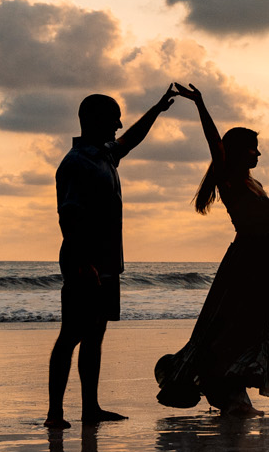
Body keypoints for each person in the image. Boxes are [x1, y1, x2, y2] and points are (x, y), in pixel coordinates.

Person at [156, 85, 269, 415]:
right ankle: (229, 395)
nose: (259, 154)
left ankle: (233, 394)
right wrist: (200, 103)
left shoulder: (255, 185)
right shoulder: (231, 181)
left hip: (261, 265)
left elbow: (268, 234)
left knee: (253, 330)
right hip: (242, 264)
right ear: (240, 152)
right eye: (254, 149)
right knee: (230, 328)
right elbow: (216, 146)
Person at [50, 85, 182, 428]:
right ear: (92, 120)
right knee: (71, 336)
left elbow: (131, 139)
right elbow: (69, 217)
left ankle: (90, 408)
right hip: (85, 263)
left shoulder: (105, 155)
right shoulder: (77, 162)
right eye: (113, 119)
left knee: (94, 336)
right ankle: (55, 414)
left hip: (106, 263)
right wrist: (83, 263)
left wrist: (156, 110)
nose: (119, 125)